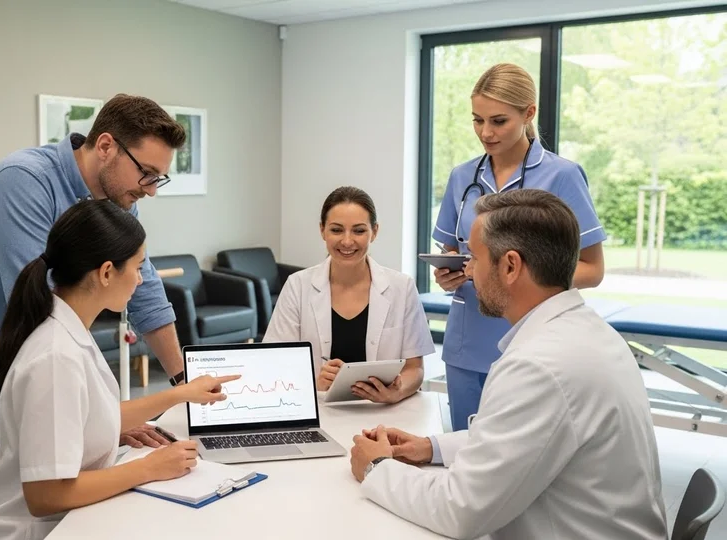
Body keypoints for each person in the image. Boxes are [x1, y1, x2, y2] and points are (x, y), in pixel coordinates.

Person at [0, 94, 191, 475]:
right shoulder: (24, 180)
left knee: (29, 482)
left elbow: (146, 292)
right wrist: (106, 417)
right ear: (105, 146)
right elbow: (38, 304)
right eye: (146, 173)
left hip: (14, 362)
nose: (151, 189)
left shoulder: (121, 199)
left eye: (158, 178)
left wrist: (183, 378)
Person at [349, 189, 667, 540]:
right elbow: (521, 439)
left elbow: (461, 511)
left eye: (474, 258)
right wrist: (432, 448)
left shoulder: (539, 366)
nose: (467, 269)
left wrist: (376, 467)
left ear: (511, 266)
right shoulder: (588, 333)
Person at [0, 199, 240, 540]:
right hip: (33, 531)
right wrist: (150, 468)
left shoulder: (67, 328)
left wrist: (181, 393)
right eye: (139, 268)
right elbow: (46, 496)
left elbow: (94, 416)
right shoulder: (56, 358)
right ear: (107, 272)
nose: (141, 281)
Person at [432, 63, 606, 430]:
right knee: (463, 455)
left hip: (533, 342)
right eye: (477, 120)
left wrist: (519, 275)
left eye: (498, 121)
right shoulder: (462, 177)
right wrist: (449, 270)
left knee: (523, 464)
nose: (485, 132)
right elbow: (452, 250)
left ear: (528, 113)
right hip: (466, 341)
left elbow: (592, 269)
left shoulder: (562, 176)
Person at [263, 186, 435, 404]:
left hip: (382, 414)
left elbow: (415, 369)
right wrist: (313, 382)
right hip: (318, 408)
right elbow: (275, 362)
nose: (346, 241)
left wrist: (396, 393)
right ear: (322, 230)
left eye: (359, 231)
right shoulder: (298, 286)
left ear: (375, 231)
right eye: (336, 230)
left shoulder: (402, 287)